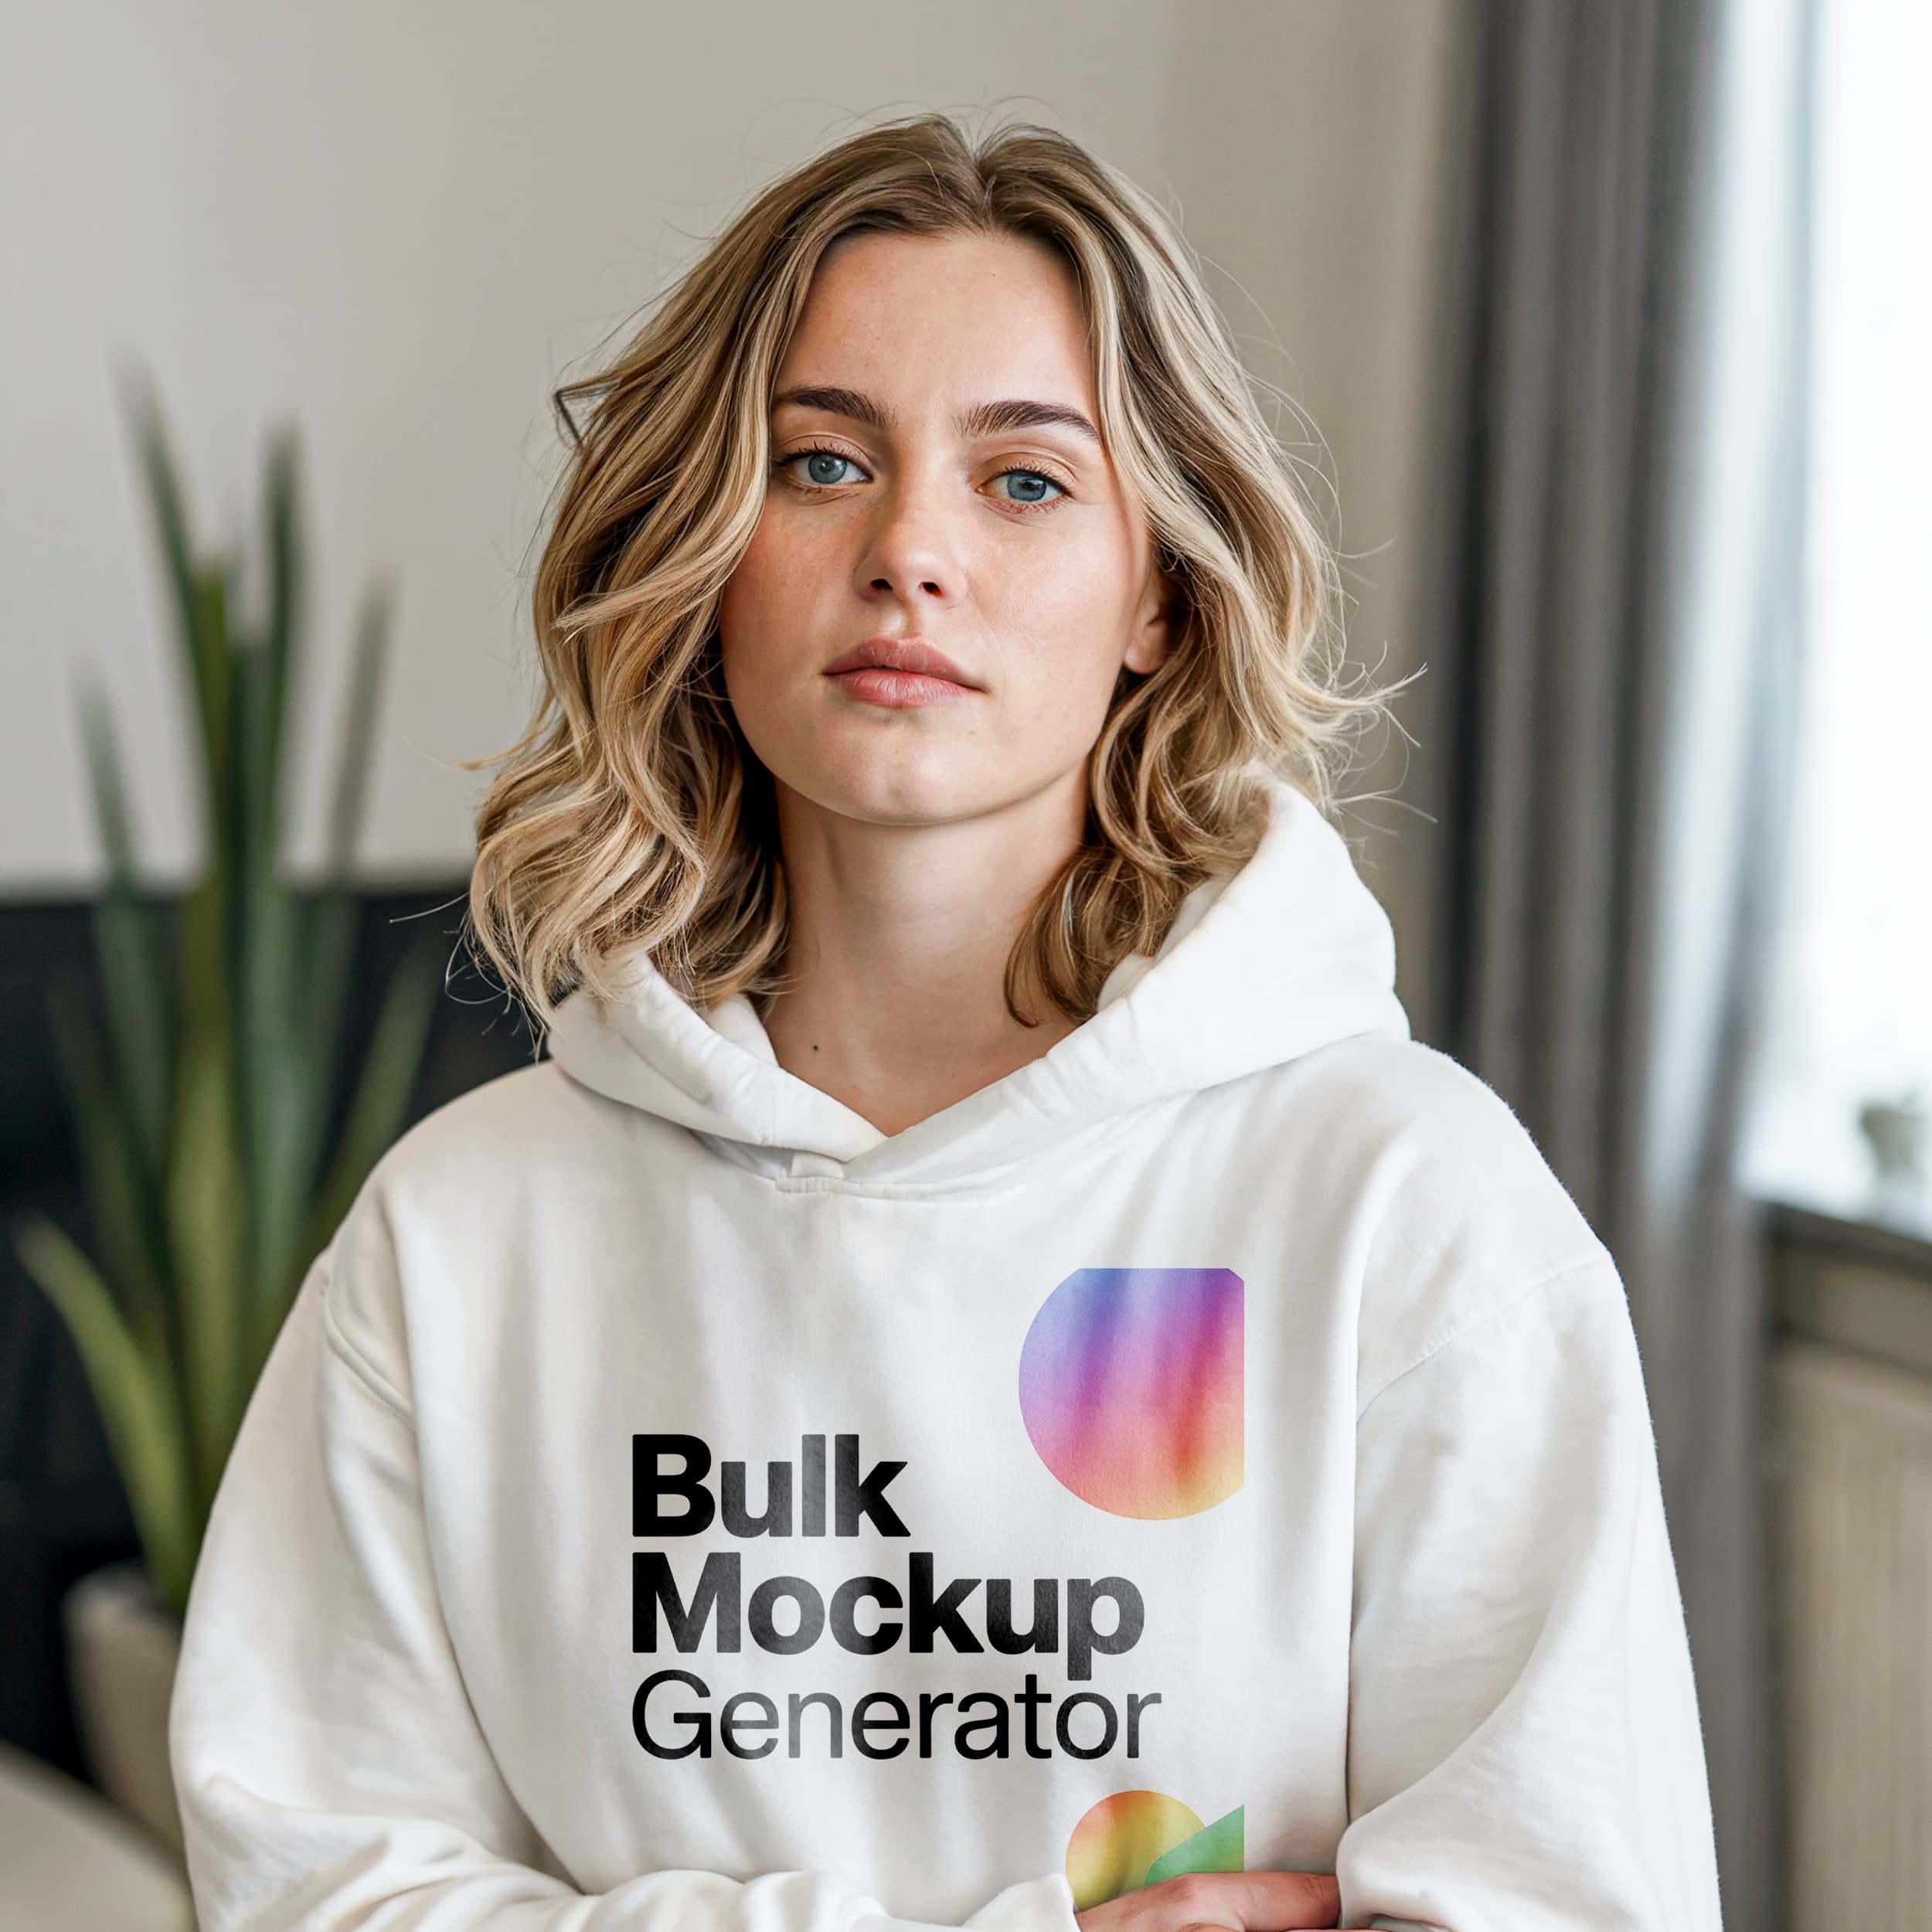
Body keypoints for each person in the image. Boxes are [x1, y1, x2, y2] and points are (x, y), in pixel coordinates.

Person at [167, 111, 1725, 1932]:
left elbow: (1566, 1895)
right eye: (820, 462)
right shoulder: (459, 1237)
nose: (909, 550)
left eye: (1026, 481)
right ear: (704, 550)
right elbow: (310, 1888)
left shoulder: (1404, 1202)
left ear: (1157, 594)